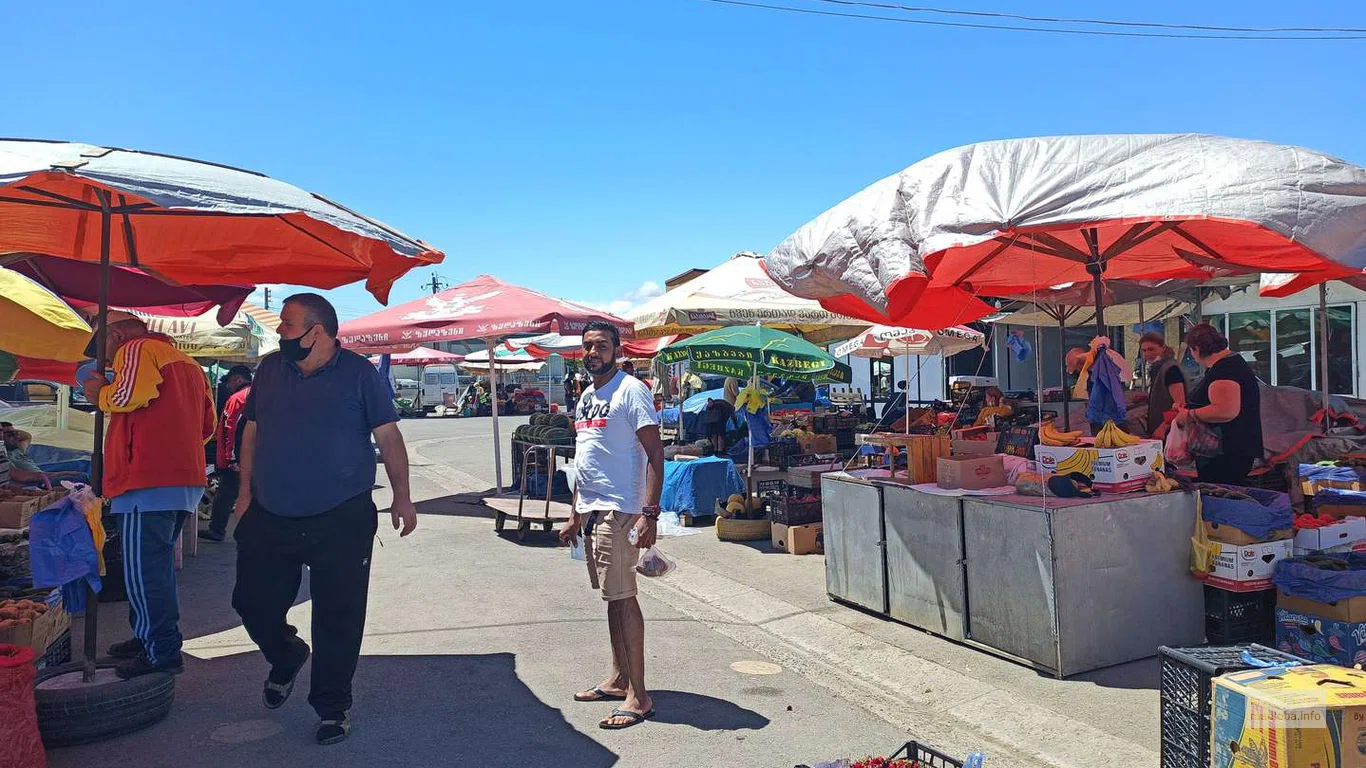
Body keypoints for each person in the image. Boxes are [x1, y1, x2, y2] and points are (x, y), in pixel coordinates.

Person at [230, 293, 417, 746]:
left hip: (342, 515)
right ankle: (287, 653)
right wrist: (244, 494)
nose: (280, 333)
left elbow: (389, 438)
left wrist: (403, 498)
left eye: (288, 324)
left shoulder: (360, 373)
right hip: (271, 511)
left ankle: (333, 706)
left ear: (317, 331)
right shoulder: (271, 369)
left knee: (338, 616)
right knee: (251, 603)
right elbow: (251, 430)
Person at [81, 311, 215, 680]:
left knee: (145, 573)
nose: (104, 357)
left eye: (102, 343)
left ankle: (161, 651)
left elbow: (129, 395)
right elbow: (208, 426)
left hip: (147, 478)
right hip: (182, 479)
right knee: (151, 569)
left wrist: (99, 394)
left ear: (118, 333)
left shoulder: (137, 348)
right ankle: (147, 638)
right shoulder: (188, 363)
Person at [559, 321, 665, 731]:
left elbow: (657, 454)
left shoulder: (630, 390)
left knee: (624, 599)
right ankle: (620, 678)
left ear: (617, 350)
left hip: (621, 511)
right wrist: (574, 514)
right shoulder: (587, 396)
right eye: (587, 346)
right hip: (592, 513)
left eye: (601, 346)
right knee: (612, 597)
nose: (593, 353)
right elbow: (587, 458)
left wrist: (649, 513)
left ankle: (639, 697)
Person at [1176, 323, 1264, 485]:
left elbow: (1225, 411)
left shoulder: (1225, 370)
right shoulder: (1230, 364)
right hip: (1230, 450)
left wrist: (1189, 414)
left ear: (1196, 348)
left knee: (1220, 494)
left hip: (1226, 452)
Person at [201, 366, 253, 542]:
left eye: (230, 381)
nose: (228, 386)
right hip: (251, 456)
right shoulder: (257, 394)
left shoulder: (238, 398)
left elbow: (230, 429)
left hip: (236, 459)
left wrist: (232, 459)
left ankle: (217, 530)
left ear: (238, 379)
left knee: (227, 494)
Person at [1139, 332, 1187, 439]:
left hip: (1170, 432)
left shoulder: (1170, 369)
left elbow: (1180, 403)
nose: (1147, 354)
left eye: (1151, 349)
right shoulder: (1159, 367)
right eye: (1144, 350)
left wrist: (1163, 427)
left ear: (1163, 348)